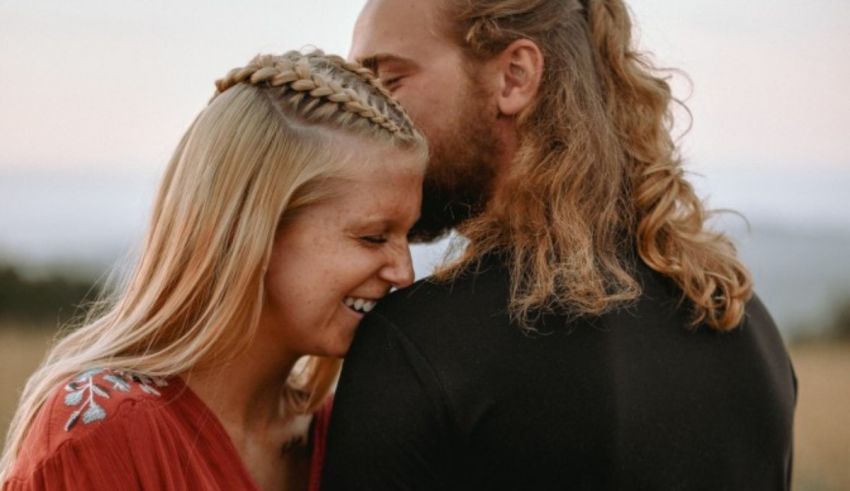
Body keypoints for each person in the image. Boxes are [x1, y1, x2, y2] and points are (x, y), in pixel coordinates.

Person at [322, 1, 797, 489]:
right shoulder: (744, 325)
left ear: (514, 77)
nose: (369, 116)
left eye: (389, 82)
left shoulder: (419, 349)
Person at [0, 50, 426, 490]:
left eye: (407, 237)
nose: (404, 272)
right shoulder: (101, 432)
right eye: (373, 237)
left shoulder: (349, 436)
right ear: (250, 231)